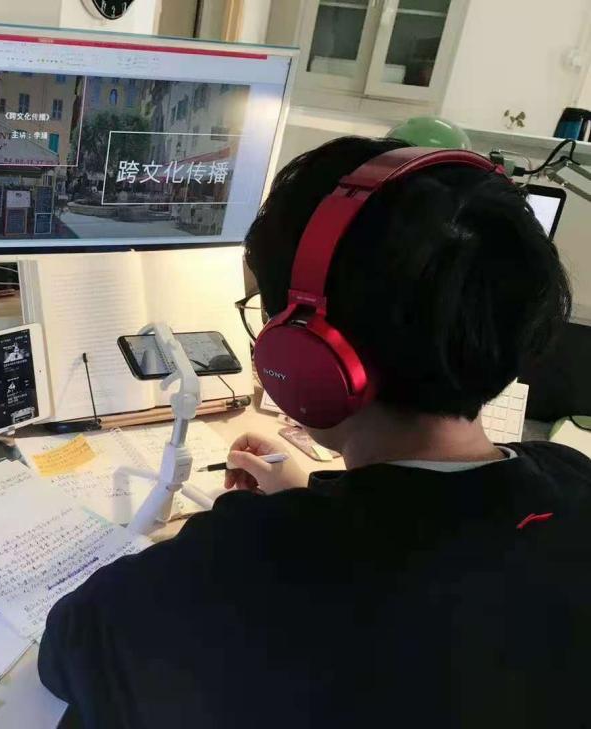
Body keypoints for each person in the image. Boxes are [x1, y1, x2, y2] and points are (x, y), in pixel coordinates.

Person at [38, 136, 591, 728]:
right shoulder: (570, 479)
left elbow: (70, 647)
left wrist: (282, 527)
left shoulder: (238, 567)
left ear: (307, 352)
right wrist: (323, 500)